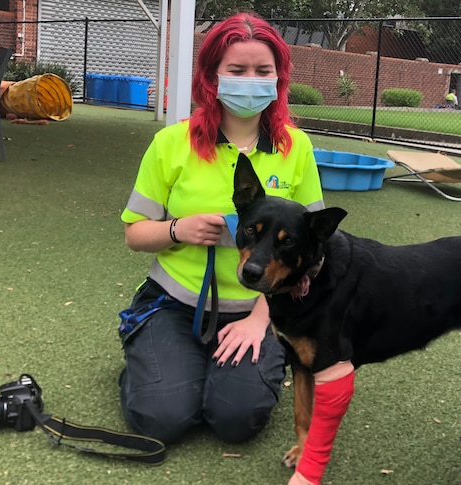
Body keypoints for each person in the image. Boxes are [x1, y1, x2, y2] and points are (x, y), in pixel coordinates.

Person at [117, 11, 325, 445]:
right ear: (212, 76)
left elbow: (315, 251)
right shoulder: (171, 143)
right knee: (162, 418)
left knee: (235, 420)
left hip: (260, 312)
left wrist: (259, 318)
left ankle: (235, 360)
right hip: (174, 303)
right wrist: (178, 230)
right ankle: (153, 354)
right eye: (236, 70)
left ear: (278, 77)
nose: (250, 79)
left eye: (262, 70)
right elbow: (135, 234)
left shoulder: (296, 146)